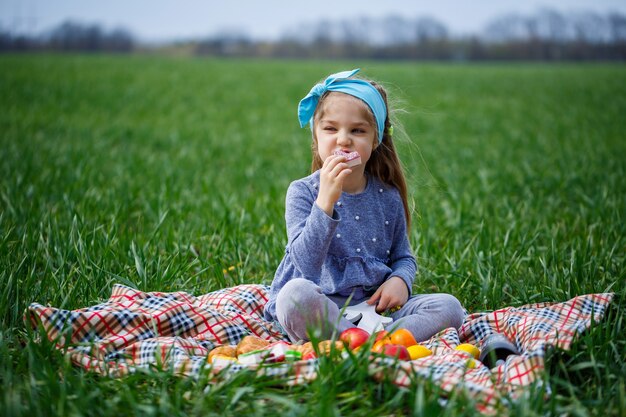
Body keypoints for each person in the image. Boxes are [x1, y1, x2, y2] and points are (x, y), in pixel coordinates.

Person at [263, 69, 464, 343]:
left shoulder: (387, 196)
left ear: (375, 139)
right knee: (293, 296)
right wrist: (325, 203)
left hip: (375, 313)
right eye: (331, 129)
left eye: (357, 130)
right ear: (316, 137)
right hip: (323, 307)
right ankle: (356, 340)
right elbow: (306, 266)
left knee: (449, 306)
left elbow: (403, 256)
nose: (343, 139)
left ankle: (367, 343)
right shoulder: (302, 192)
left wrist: (401, 281)